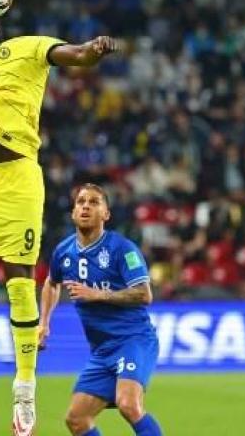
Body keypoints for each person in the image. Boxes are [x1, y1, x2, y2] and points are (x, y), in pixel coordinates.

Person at [0, 9, 124, 436]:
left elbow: (72, 55)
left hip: (17, 177)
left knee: (18, 281)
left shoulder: (25, 48)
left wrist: (92, 50)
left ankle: (24, 394)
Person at [39, 184, 163, 436]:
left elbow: (144, 294)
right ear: (73, 212)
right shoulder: (63, 252)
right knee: (77, 419)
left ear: (106, 214)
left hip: (133, 339)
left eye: (94, 202)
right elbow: (52, 283)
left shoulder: (122, 249)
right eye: (81, 202)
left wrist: (99, 294)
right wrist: (44, 322)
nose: (85, 206)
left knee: (128, 404)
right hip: (102, 350)